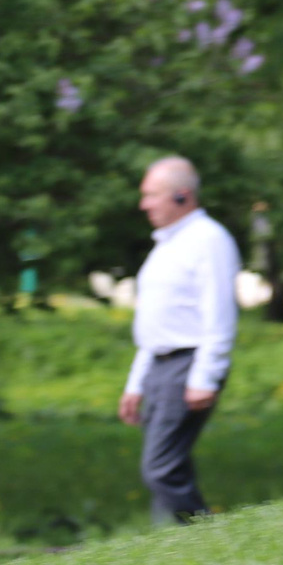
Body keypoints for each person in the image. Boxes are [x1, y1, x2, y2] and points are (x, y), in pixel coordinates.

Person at [118, 155, 240, 521]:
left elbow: (219, 314)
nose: (144, 204)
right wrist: (136, 383)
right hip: (159, 365)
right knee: (168, 466)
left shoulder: (209, 240)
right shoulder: (166, 246)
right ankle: (172, 549)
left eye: (152, 195)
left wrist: (205, 377)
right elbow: (156, 325)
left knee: (160, 469)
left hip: (186, 365)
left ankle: (206, 540)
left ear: (183, 196)